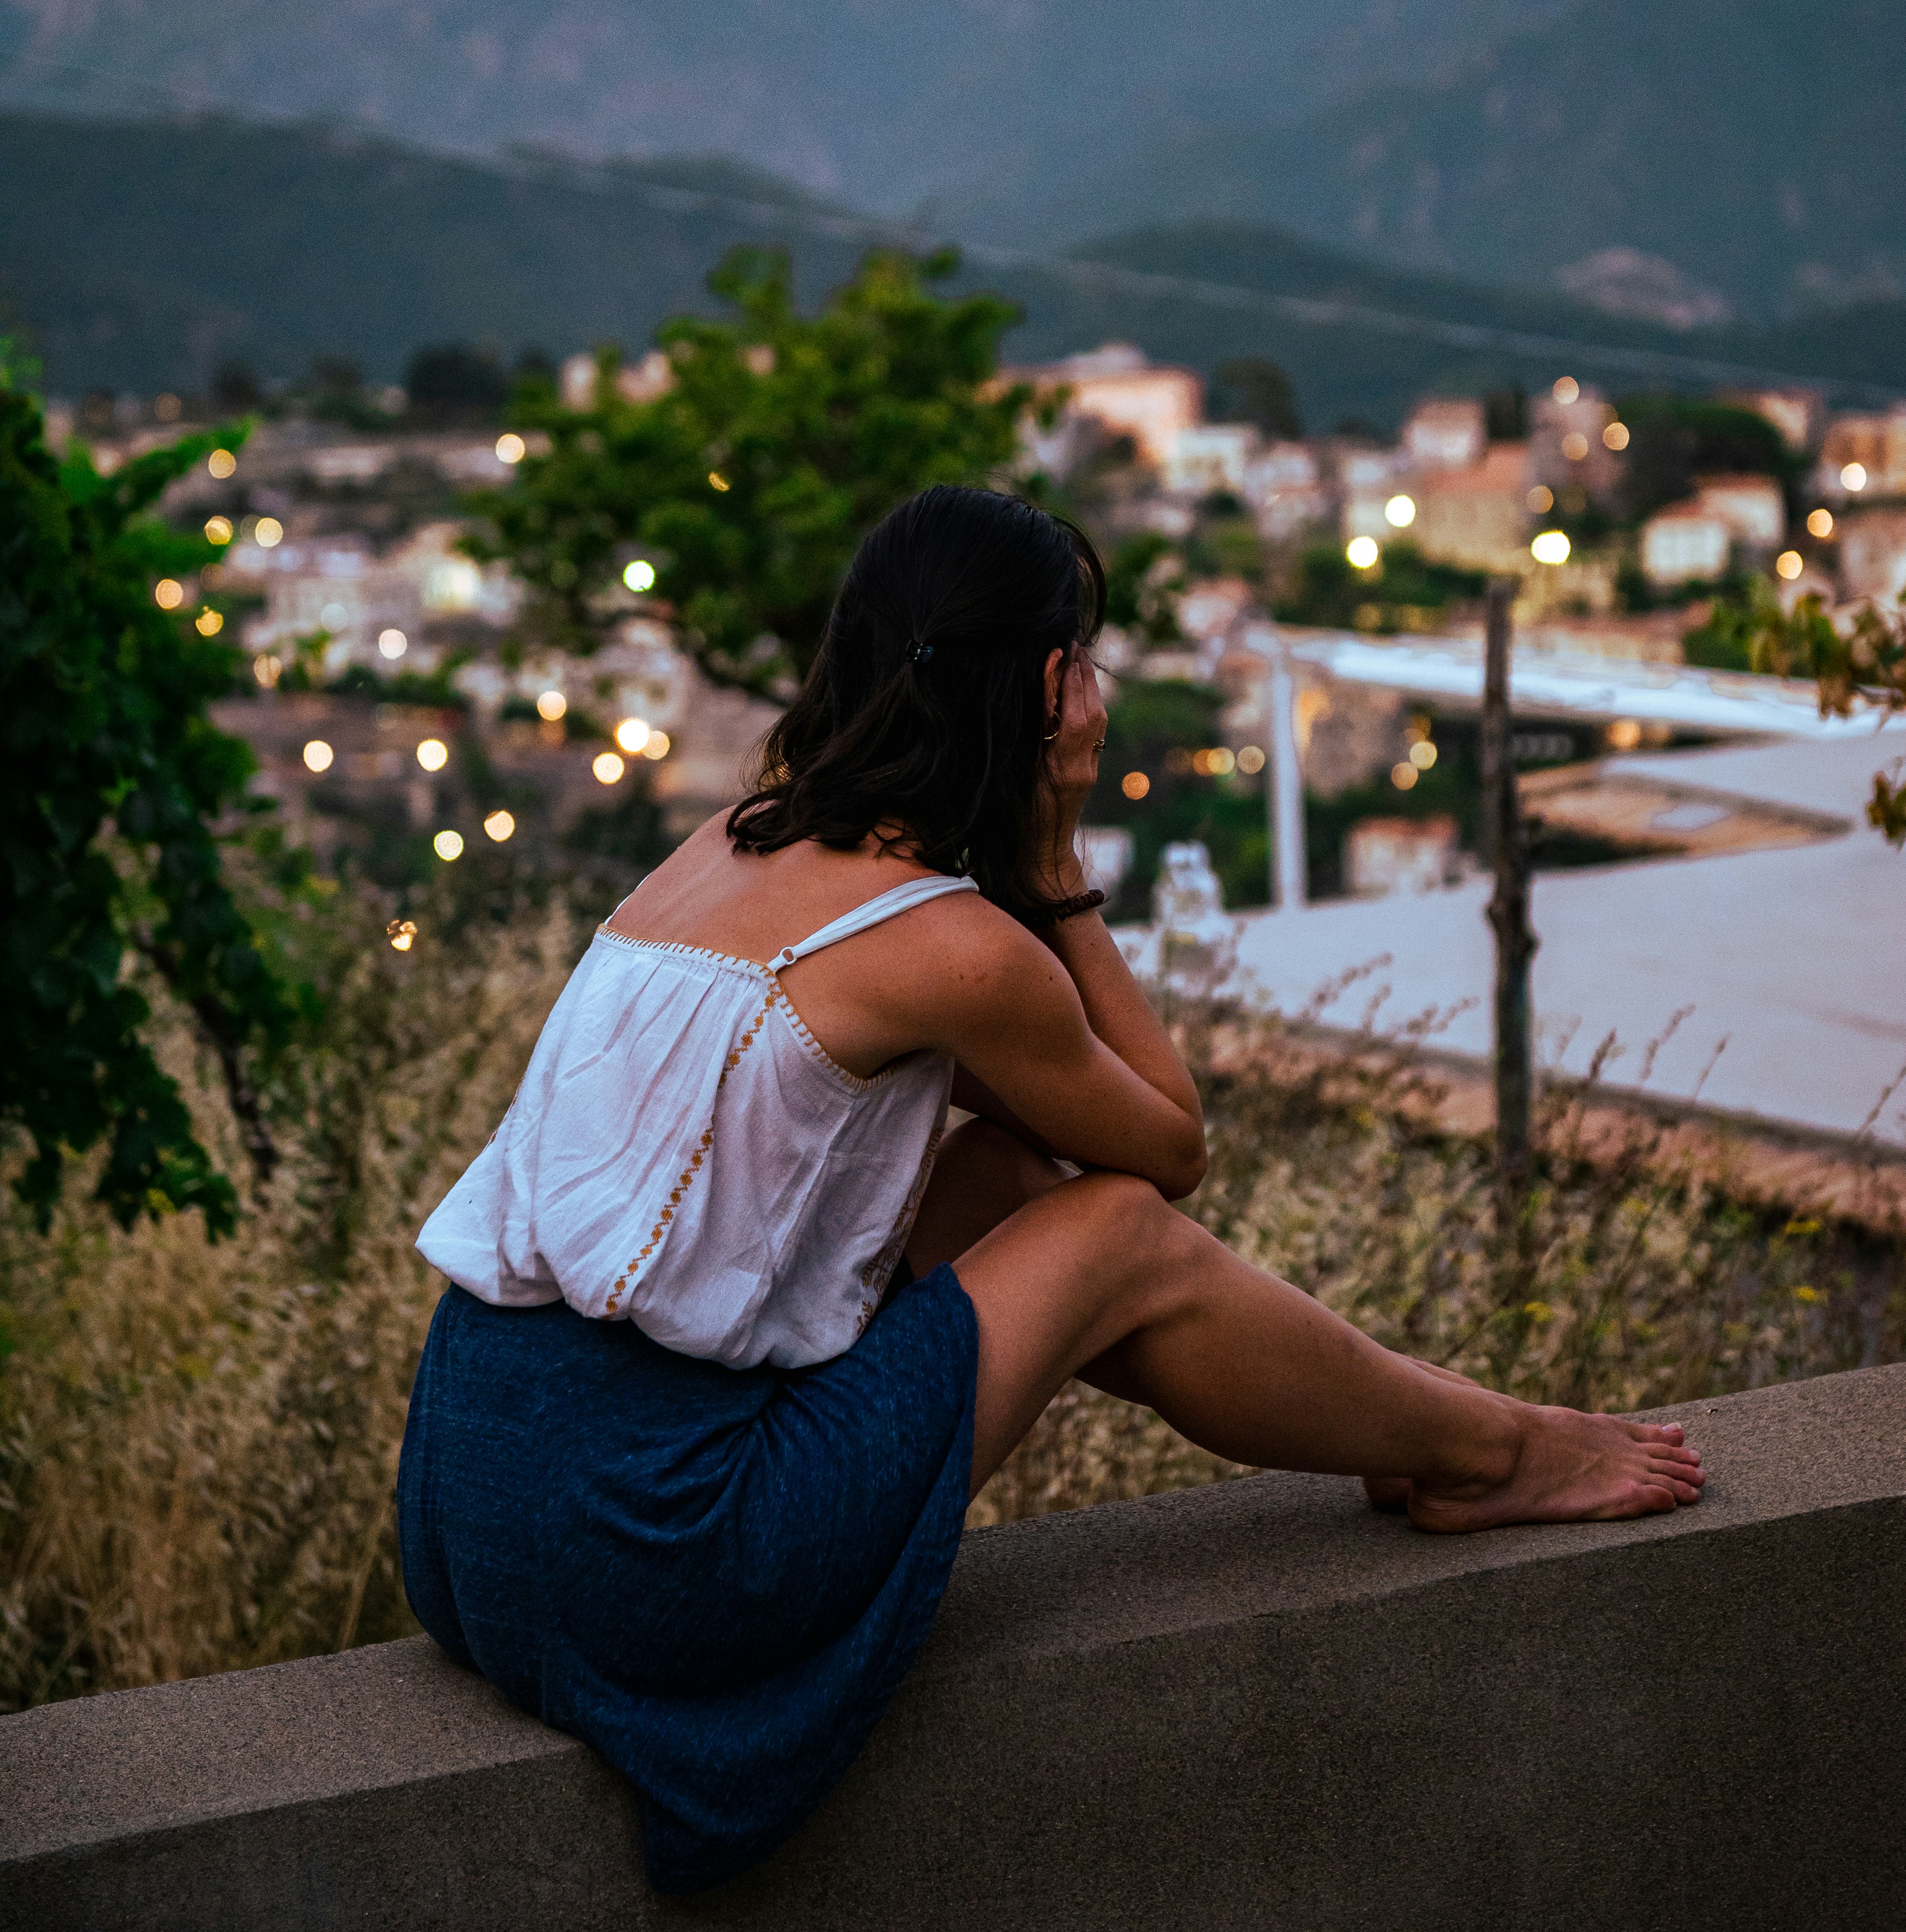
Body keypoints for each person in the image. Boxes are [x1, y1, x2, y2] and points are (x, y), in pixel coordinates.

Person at [398, 485, 1703, 1894]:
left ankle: (1394, 1417)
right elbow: (1166, 1145)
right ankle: (1484, 1450)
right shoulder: (955, 945)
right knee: (1119, 1233)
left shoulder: (730, 845)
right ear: (1040, 691)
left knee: (1006, 1180)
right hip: (663, 1550)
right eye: (1081, 660)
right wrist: (1053, 862)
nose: (1097, 689)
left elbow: (983, 1125)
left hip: (469, 1505)